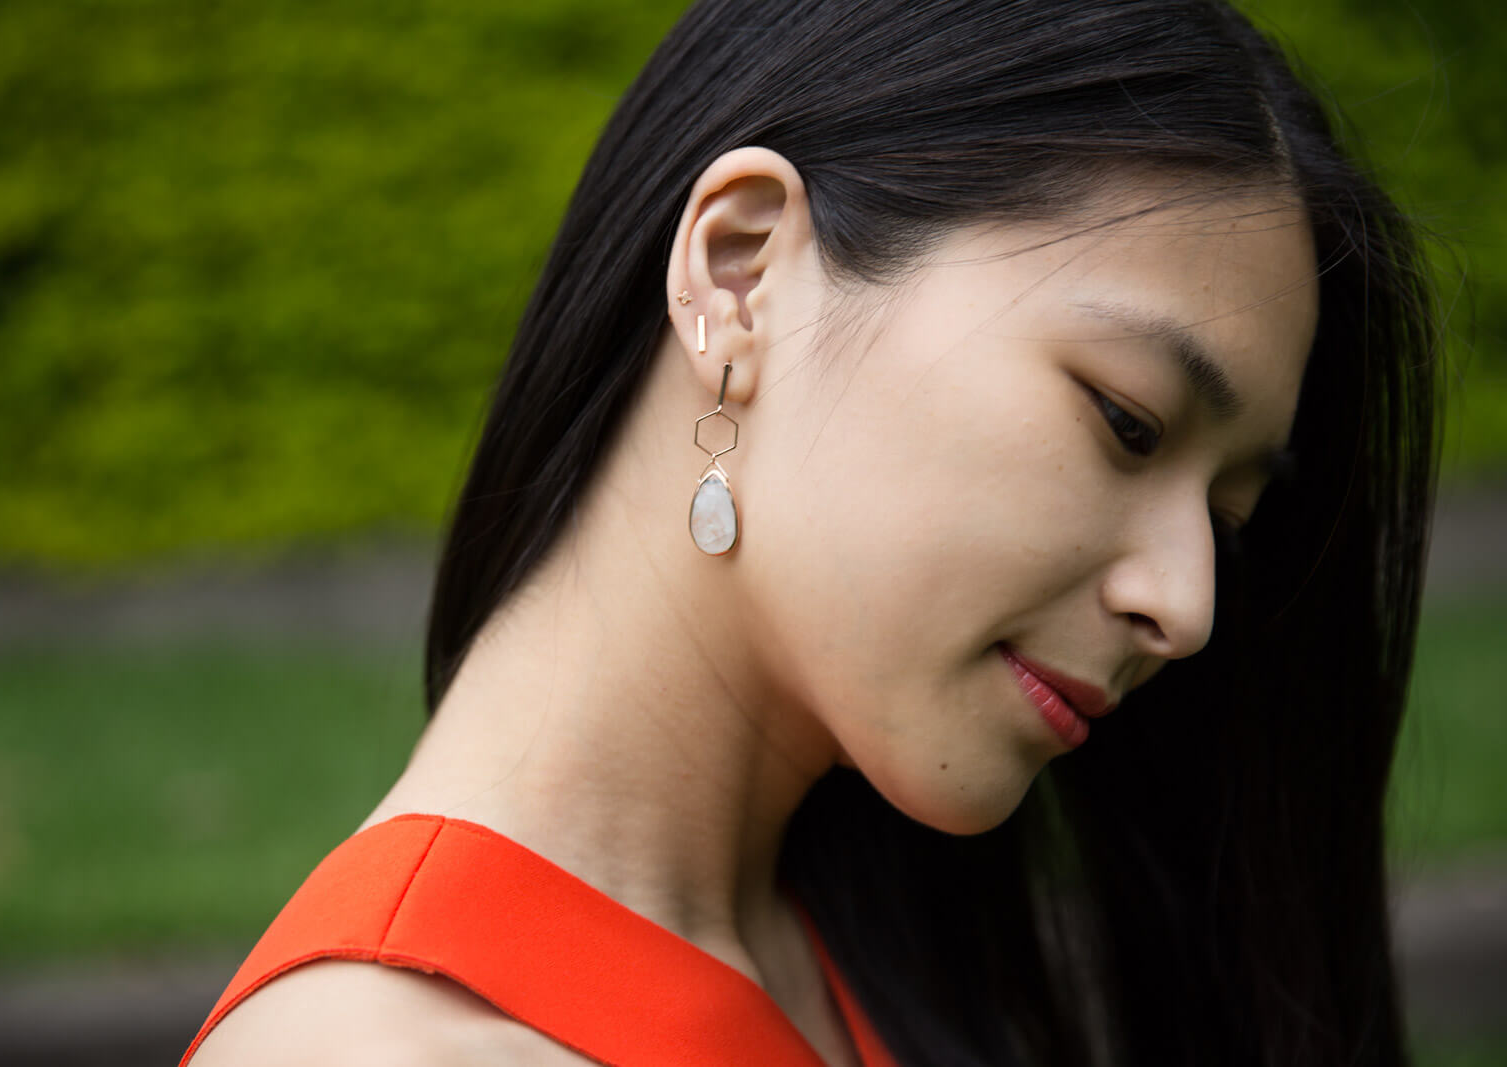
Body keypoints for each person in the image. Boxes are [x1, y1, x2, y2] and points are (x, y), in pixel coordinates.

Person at [183, 0, 1443, 1063]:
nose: (1187, 602)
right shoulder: (391, 1043)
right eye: (1126, 422)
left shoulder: (867, 946)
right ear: (742, 273)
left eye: (1228, 516)